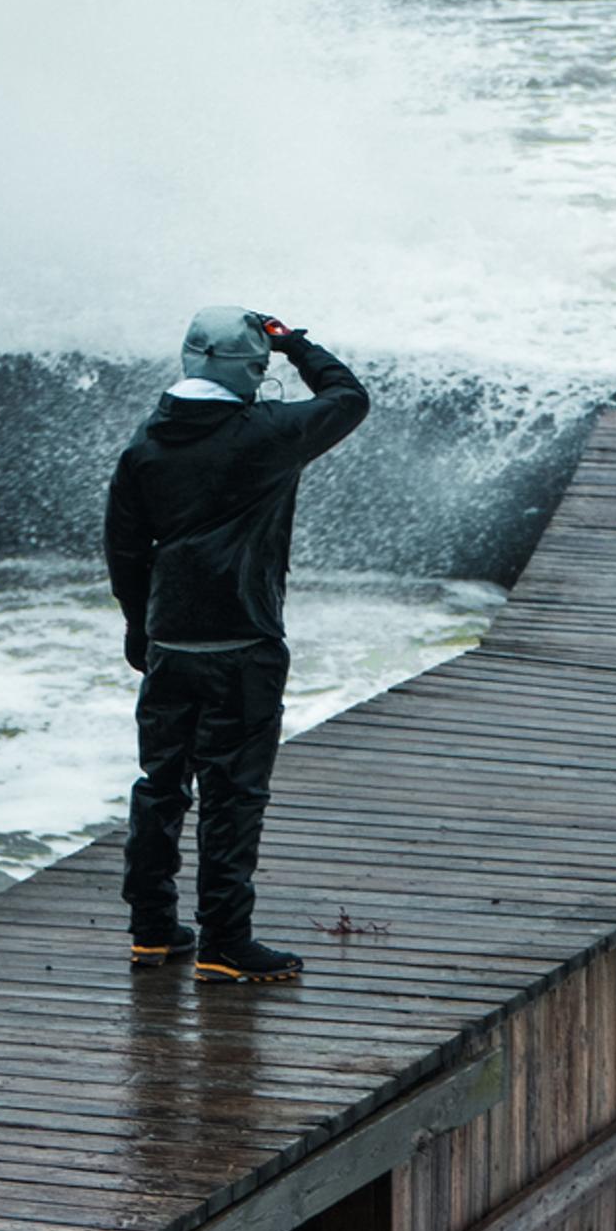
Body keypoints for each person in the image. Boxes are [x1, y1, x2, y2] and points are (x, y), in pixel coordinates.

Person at [104, 304, 369, 983]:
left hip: (171, 639)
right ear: (251, 367)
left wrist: (141, 627)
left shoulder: (146, 444)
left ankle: (152, 930)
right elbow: (347, 397)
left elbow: (126, 549)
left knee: (160, 785)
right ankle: (225, 942)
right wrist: (295, 344)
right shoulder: (267, 434)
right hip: (243, 638)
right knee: (233, 791)